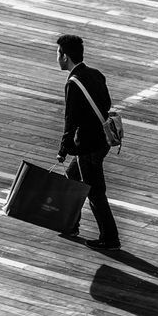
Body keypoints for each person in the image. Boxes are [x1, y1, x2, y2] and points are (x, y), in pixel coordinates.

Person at [56, 34, 120, 251]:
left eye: (58, 53)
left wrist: (64, 149)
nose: (57, 58)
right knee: (73, 177)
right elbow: (106, 104)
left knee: (95, 192)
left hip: (87, 145)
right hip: (102, 141)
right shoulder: (96, 74)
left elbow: (70, 120)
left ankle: (110, 238)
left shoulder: (73, 83)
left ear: (65, 56)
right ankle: (70, 224)